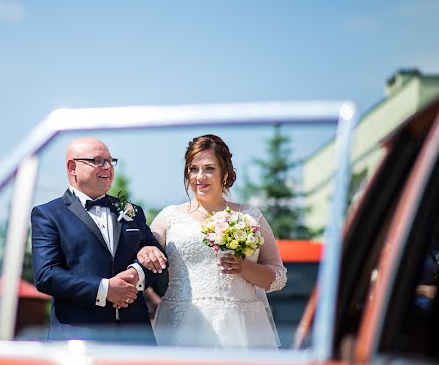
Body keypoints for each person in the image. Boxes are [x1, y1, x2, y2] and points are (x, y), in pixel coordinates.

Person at [147, 135, 285, 348]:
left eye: (209, 168)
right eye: (193, 169)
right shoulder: (169, 216)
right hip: (183, 324)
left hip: (243, 327)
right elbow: (147, 247)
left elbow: (278, 278)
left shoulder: (250, 216)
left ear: (225, 174)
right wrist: (146, 248)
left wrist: (244, 267)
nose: (199, 177)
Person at [30, 137, 167, 344]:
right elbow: (46, 275)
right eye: (98, 161)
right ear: (72, 167)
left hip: (136, 337)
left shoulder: (131, 211)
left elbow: (156, 256)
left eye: (110, 161)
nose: (108, 167)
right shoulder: (48, 214)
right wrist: (104, 289)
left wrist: (135, 273)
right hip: (79, 338)